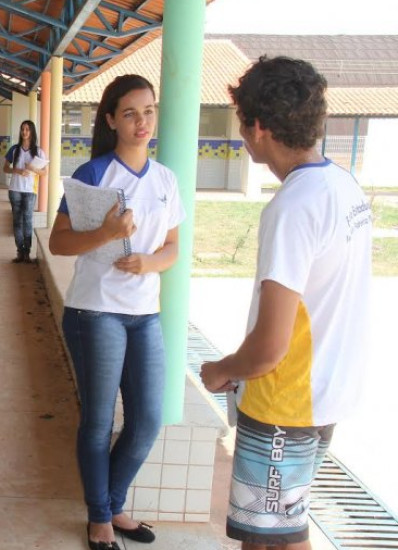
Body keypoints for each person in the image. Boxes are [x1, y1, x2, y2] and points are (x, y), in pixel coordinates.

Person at [200, 57, 373, 550]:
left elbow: (271, 346)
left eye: (241, 124)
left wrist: (221, 369)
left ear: (257, 127)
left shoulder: (294, 207)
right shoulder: (342, 184)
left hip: (288, 400)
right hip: (324, 392)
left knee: (278, 538)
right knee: (269, 532)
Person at [49, 75, 184, 550]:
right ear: (110, 120)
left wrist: (150, 263)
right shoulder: (93, 175)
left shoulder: (166, 180)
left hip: (145, 314)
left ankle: (112, 502)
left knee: (147, 420)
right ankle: (100, 517)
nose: (141, 122)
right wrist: (106, 234)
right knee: (99, 421)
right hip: (96, 312)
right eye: (129, 113)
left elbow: (173, 247)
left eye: (148, 111)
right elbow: (58, 242)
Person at [3, 120, 47, 263]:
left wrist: (33, 168)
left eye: (27, 129)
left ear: (32, 131)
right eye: (22, 129)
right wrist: (17, 170)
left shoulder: (38, 151)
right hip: (15, 189)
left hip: (30, 191)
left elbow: (44, 172)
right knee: (17, 221)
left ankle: (27, 252)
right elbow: (5, 168)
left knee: (27, 220)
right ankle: (19, 251)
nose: (24, 132)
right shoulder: (14, 149)